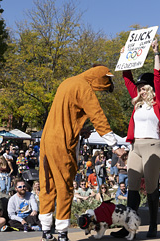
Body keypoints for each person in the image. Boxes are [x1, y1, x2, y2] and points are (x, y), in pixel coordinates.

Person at [39, 64, 125, 241]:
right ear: (101, 78)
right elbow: (97, 115)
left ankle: (46, 231)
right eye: (104, 84)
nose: (99, 91)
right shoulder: (83, 86)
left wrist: (78, 130)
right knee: (65, 186)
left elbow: (66, 115)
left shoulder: (67, 82)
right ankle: (62, 232)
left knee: (47, 185)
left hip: (47, 138)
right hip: (61, 142)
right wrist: (114, 144)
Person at [112, 39, 160, 239]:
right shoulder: (137, 103)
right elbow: (127, 78)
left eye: (143, 87)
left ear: (150, 88)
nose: (140, 89)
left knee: (151, 187)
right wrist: (125, 58)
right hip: (136, 147)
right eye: (139, 87)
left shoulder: (159, 102)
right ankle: (129, 227)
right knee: (131, 186)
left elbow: (159, 77)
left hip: (153, 146)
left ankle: (153, 226)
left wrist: (156, 53)